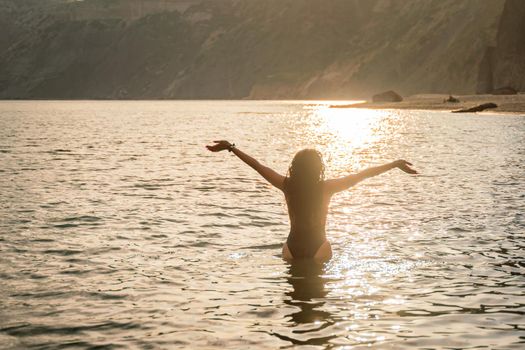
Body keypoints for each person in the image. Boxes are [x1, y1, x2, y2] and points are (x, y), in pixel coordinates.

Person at [206, 140, 418, 262]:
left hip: (291, 247)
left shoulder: (286, 185)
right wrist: (393, 164)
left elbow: (257, 165)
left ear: (294, 166)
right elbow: (362, 174)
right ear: (319, 168)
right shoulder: (327, 187)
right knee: (318, 292)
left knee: (293, 290)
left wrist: (231, 148)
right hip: (319, 246)